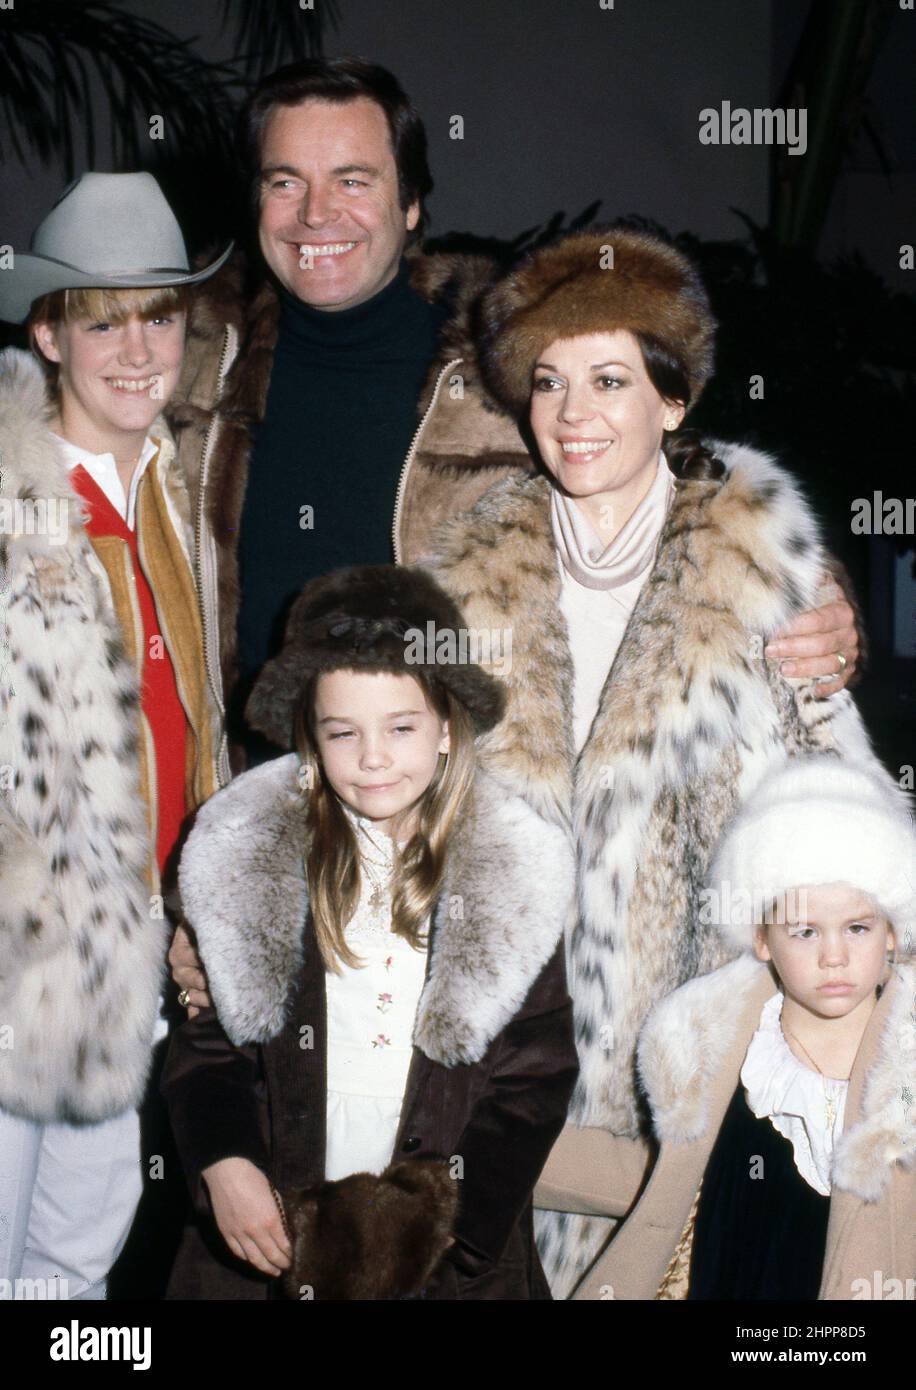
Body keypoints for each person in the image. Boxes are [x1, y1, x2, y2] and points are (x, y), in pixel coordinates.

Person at [168, 55, 863, 1005]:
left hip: (460, 833)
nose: (314, 213)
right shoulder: (192, 372)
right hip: (269, 810)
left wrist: (817, 591)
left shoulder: (502, 366)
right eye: (285, 181)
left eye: (353, 180)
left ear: (413, 204)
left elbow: (670, 466)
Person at [414, 226, 892, 1297]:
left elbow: (846, 839)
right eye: (547, 382)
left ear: (672, 401)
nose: (573, 414)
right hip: (518, 1082)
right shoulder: (467, 593)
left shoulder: (764, 574)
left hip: (712, 1078)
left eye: (609, 379)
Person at [161, 565, 579, 1299]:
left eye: (401, 727)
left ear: (446, 727)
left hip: (446, 1253)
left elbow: (535, 1076)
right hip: (274, 1231)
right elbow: (207, 1053)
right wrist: (224, 1164)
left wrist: (458, 1227)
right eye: (343, 732)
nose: (374, 756)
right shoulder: (253, 862)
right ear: (312, 739)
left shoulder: (515, 876)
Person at [0, 171, 227, 1298]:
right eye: (104, 319)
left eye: (161, 314)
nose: (138, 348)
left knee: (76, 1264)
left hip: (130, 958)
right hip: (16, 966)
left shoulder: (176, 488)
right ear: (49, 330)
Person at [535, 755, 915, 1301]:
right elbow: (663, 1184)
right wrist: (482, 1156)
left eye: (857, 927)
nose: (835, 955)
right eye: (805, 931)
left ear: (892, 933)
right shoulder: (721, 1046)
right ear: (762, 938)